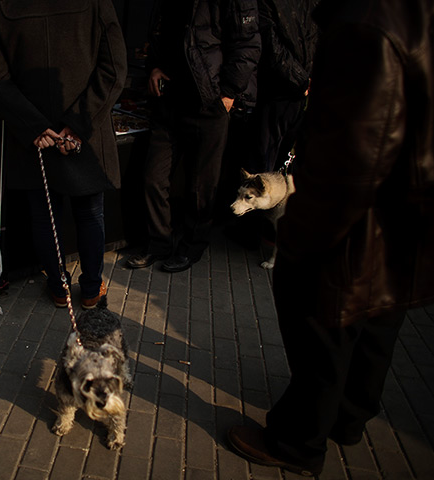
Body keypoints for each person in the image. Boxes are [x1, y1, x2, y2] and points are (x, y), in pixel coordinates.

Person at [227, 0, 434, 476]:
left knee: (321, 317)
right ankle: (349, 415)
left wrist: (310, 224)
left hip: (360, 206)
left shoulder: (366, 19)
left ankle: (298, 439)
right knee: (377, 314)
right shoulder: (413, 14)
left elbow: (356, 134)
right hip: (406, 203)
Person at [0, 0, 127, 308]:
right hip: (83, 133)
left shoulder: (4, 8)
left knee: (45, 216)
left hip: (35, 138)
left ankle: (60, 287)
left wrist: (36, 127)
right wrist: (76, 125)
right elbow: (114, 69)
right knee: (88, 214)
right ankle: (89, 289)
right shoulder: (97, 4)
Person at [125, 0, 261, 273]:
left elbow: (248, 45)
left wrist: (228, 93)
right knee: (154, 176)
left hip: (209, 101)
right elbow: (159, 32)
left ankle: (191, 247)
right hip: (170, 99)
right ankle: (158, 244)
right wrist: (154, 66)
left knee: (202, 185)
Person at [251, 0, 318, 173]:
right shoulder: (267, 4)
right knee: (263, 167)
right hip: (276, 93)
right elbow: (271, 46)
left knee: (287, 166)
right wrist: (302, 80)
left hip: (304, 93)